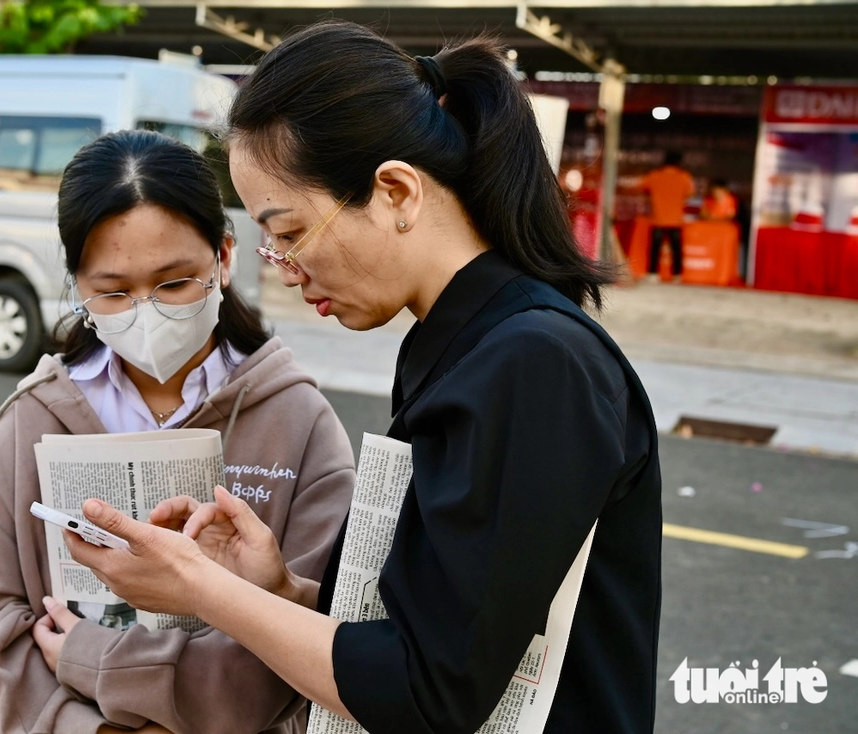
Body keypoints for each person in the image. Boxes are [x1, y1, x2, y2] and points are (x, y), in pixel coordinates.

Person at [64, 21, 663, 734]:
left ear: (397, 193)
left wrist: (199, 588)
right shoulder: (471, 343)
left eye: (290, 233)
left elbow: (428, 693)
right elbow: (429, 627)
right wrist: (277, 589)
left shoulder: (532, 363)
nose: (286, 270)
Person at [0, 129, 357, 734]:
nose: (147, 311)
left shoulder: (298, 422)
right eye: (114, 291)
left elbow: (317, 637)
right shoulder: (34, 418)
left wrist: (96, 660)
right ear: (77, 285)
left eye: (174, 283)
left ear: (224, 258)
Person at [641, 150, 695, 282]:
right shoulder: (684, 177)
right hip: (675, 219)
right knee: (676, 248)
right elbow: (690, 193)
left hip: (658, 218)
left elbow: (643, 187)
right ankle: (677, 275)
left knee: (655, 247)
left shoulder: (654, 175)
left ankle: (652, 274)